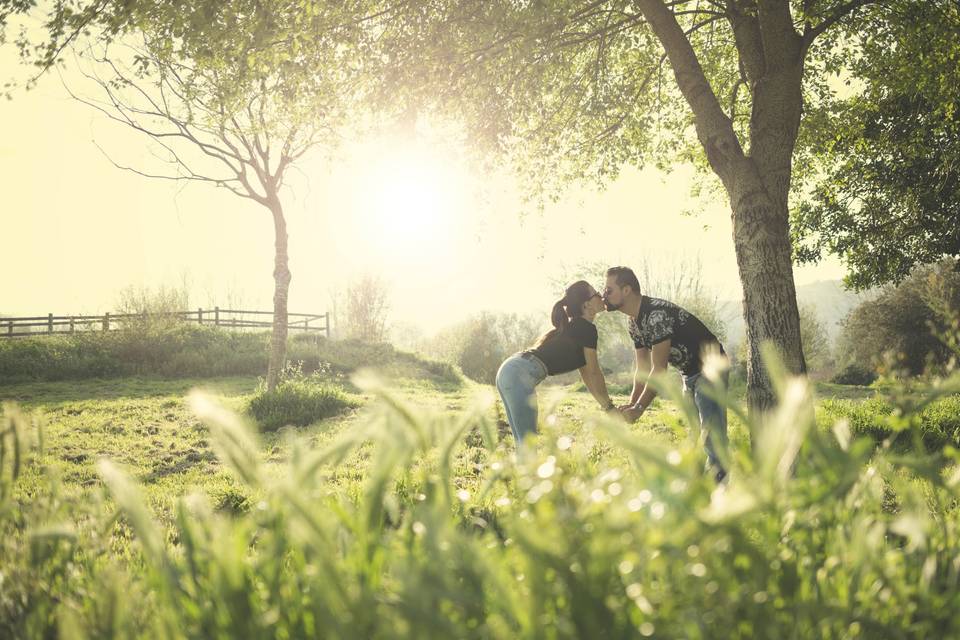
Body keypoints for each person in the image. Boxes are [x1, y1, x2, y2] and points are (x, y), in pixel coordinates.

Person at [603, 266, 730, 481]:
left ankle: (721, 488)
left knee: (711, 434)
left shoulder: (655, 315)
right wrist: (632, 404)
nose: (603, 295)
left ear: (626, 290)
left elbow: (658, 371)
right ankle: (699, 485)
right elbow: (642, 368)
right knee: (694, 433)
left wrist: (639, 409)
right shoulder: (633, 322)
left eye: (608, 290)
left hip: (711, 368)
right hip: (688, 373)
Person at [495, 280, 617, 447]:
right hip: (518, 374)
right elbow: (595, 372)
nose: (601, 295)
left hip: (511, 369)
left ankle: (520, 473)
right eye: (596, 292)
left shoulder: (576, 328)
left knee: (523, 444)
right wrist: (610, 408)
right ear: (587, 304)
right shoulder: (585, 329)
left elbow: (588, 375)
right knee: (527, 445)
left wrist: (606, 407)